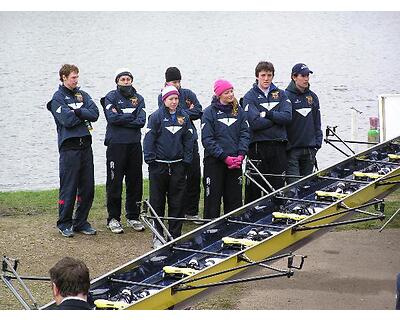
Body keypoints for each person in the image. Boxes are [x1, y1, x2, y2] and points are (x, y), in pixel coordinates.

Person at [47, 64, 99, 237]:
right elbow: (67, 121)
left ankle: (81, 222)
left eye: (77, 77)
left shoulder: (82, 94)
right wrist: (81, 113)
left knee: (87, 187)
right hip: (69, 147)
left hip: (86, 146)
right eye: (73, 77)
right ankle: (64, 222)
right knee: (69, 187)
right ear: (63, 77)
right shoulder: (57, 98)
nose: (76, 80)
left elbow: (95, 114)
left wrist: (77, 111)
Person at [144, 85, 193, 249]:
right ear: (164, 100)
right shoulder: (156, 117)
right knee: (157, 202)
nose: (174, 102)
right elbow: (149, 139)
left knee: (177, 202)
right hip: (159, 167)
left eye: (176, 99)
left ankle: (174, 236)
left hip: (178, 166)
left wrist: (187, 160)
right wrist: (150, 160)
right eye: (171, 99)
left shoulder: (184, 117)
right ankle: (158, 236)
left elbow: (188, 140)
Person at [101, 68, 146, 234]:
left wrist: (123, 118)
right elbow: (112, 118)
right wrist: (130, 117)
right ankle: (113, 218)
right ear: (117, 81)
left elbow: (141, 121)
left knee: (135, 182)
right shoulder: (110, 97)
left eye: (128, 79)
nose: (126, 82)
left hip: (134, 144)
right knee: (114, 183)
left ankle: (133, 216)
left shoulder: (139, 98)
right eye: (123, 79)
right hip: (116, 145)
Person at [157, 67, 203, 222]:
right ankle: (179, 211)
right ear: (166, 82)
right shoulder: (162, 96)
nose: (177, 85)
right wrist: (185, 112)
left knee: (194, 176)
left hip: (191, 140)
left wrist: (182, 112)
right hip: (174, 144)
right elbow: (166, 113)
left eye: (178, 81)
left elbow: (198, 111)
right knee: (178, 180)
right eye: (173, 82)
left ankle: (192, 211)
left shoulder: (188, 94)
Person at [243, 61, 292, 203]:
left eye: (269, 75)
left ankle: (277, 212)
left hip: (278, 145)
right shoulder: (249, 96)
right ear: (257, 76)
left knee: (276, 184)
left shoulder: (281, 94)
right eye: (263, 75)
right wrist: (276, 118)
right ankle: (251, 216)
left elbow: (288, 117)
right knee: (255, 184)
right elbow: (254, 122)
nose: (266, 78)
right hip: (258, 146)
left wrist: (268, 115)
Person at [201, 79, 250, 220]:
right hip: (215, 162)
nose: (230, 95)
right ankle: (210, 230)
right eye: (227, 92)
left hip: (235, 162)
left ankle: (234, 227)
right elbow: (207, 140)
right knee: (213, 199)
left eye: (231, 91)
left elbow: (245, 133)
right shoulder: (209, 113)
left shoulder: (238, 110)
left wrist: (241, 154)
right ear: (219, 94)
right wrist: (224, 157)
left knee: (234, 199)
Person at [285, 63, 323, 184]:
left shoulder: (313, 97)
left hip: (310, 149)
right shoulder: (285, 97)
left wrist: (317, 143)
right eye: (303, 75)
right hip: (293, 151)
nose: (306, 78)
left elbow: (317, 122)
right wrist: (287, 147)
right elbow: (282, 124)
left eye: (307, 75)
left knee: (307, 188)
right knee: (293, 188)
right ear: (294, 77)